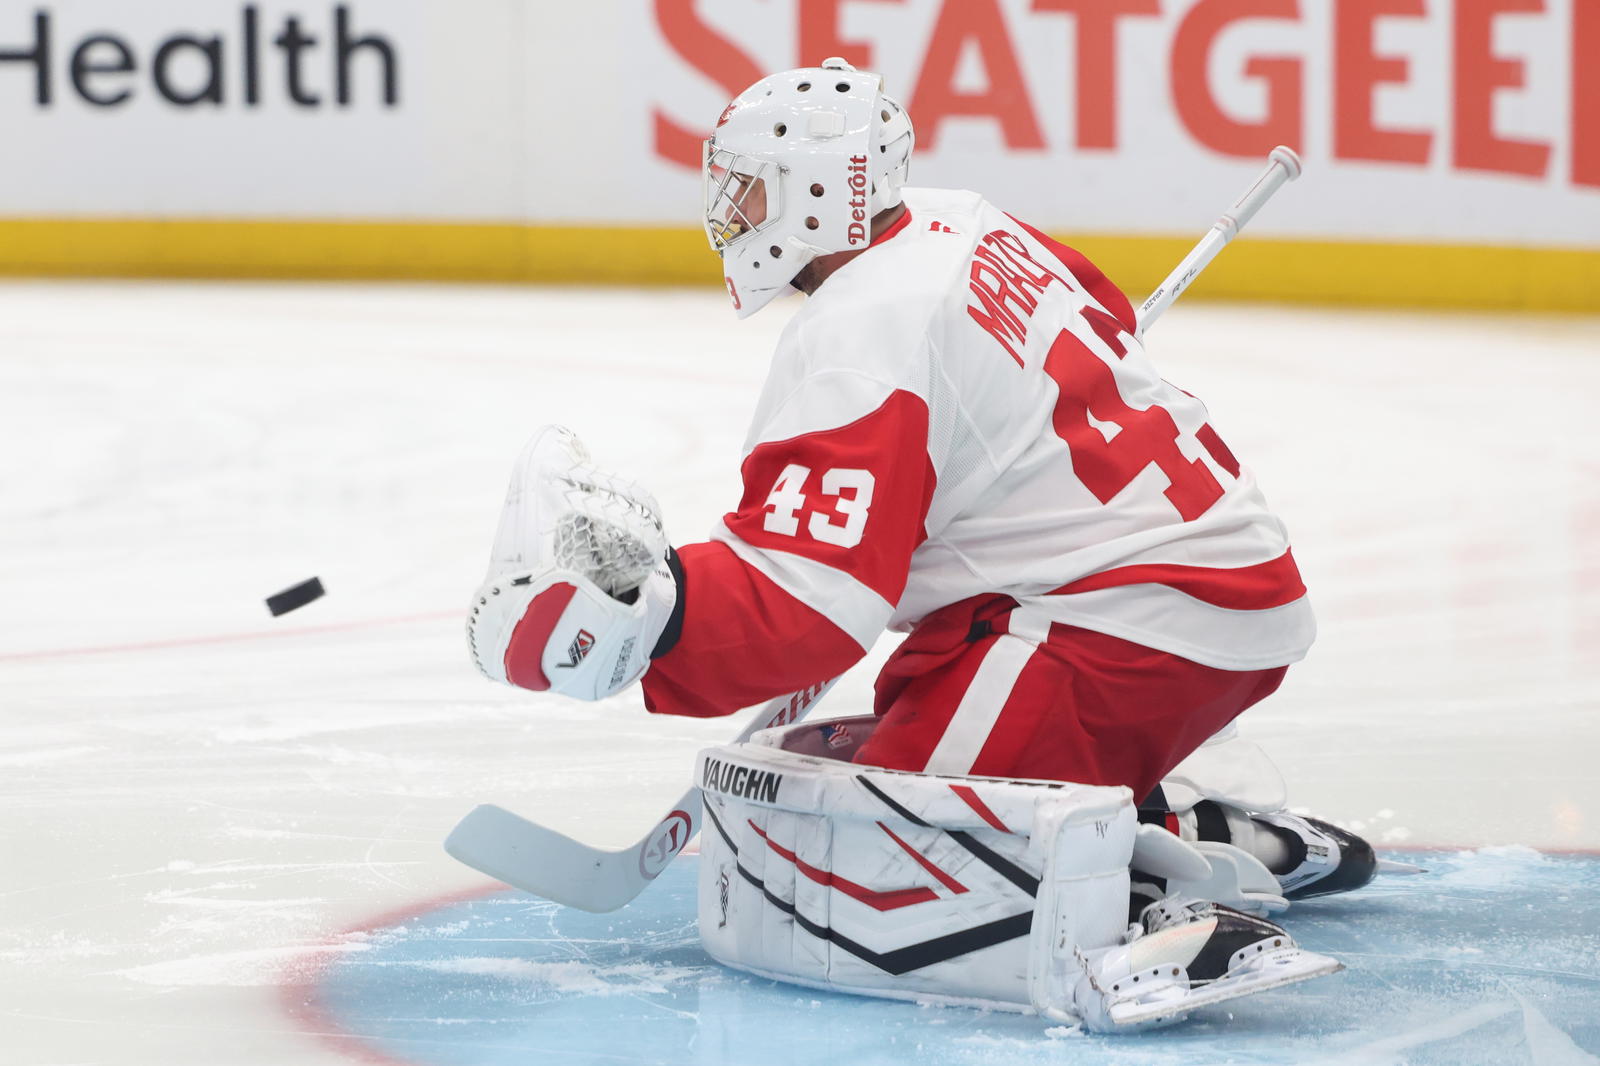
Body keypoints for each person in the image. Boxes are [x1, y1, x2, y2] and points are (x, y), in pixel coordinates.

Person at [465, 58, 1370, 1027]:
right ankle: (1189, 827)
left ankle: (1154, 913)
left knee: (887, 860)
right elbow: (1103, 316)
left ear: (816, 192)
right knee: (883, 765)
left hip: (1121, 626)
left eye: (750, 186)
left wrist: (651, 619)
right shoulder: (958, 216)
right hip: (1188, 593)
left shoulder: (863, 328)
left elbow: (807, 602)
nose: (730, 208)